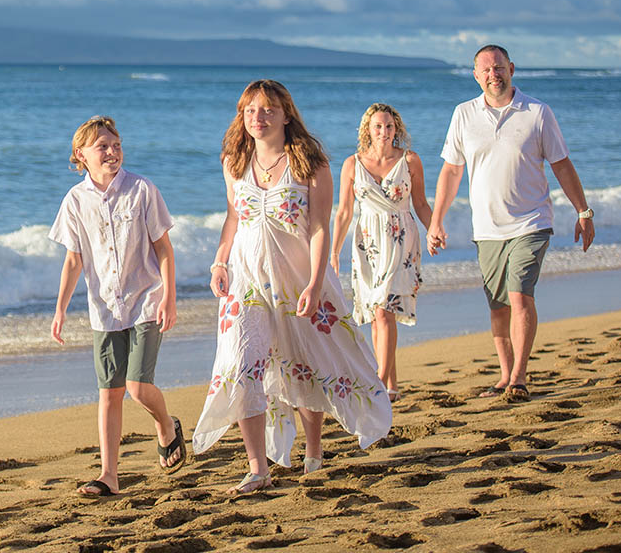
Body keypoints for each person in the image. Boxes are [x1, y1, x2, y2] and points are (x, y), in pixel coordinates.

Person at [191, 81, 391, 495]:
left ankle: (314, 452)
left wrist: (317, 283)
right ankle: (256, 467)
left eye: (267, 110)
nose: (257, 118)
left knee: (302, 363)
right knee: (241, 365)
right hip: (245, 281)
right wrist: (218, 260)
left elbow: (319, 228)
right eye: (249, 111)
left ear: (286, 114)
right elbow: (234, 217)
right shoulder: (233, 160)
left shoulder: (310, 163)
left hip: (298, 281)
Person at [427, 45, 595, 402]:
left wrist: (583, 211)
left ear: (512, 69)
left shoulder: (537, 112)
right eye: (485, 70)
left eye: (498, 67)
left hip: (531, 222)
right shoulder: (464, 114)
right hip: (486, 228)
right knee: (498, 306)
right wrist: (435, 221)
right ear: (476, 75)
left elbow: (561, 164)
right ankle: (505, 375)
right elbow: (452, 170)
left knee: (519, 294)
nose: (493, 74)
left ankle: (519, 377)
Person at [50, 115, 184, 497]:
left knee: (138, 386)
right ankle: (109, 475)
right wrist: (60, 309)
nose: (112, 152)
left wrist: (170, 298)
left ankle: (166, 426)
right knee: (110, 392)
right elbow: (73, 259)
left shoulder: (142, 189)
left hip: (146, 301)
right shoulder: (75, 201)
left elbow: (163, 249)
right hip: (104, 309)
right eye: (102, 146)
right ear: (82, 155)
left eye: (116, 145)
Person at [331, 104, 433, 402]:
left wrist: (434, 229)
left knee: (384, 312)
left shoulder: (410, 161)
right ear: (368, 130)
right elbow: (343, 213)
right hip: (366, 244)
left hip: (401, 240)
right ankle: (392, 384)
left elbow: (422, 204)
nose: (384, 132)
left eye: (389, 126)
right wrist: (334, 251)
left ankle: (379, 386)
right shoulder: (352, 164)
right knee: (378, 317)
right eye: (378, 126)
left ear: (396, 128)